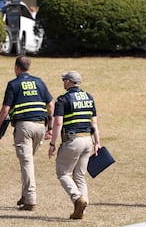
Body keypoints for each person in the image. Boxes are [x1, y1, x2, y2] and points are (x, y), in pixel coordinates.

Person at [0, 55, 54, 211]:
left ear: (16, 67)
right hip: (40, 127)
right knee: (27, 162)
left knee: (26, 163)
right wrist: (50, 128)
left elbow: (6, 109)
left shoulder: (13, 84)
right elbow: (51, 105)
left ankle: (30, 200)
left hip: (24, 127)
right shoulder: (40, 82)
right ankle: (25, 195)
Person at [48, 71, 101, 220]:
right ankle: (82, 212)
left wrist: (52, 143)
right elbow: (94, 123)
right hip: (88, 140)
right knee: (79, 176)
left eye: (64, 80)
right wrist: (97, 142)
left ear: (70, 82)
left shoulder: (63, 99)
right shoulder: (89, 97)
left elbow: (58, 123)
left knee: (63, 173)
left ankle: (77, 198)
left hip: (72, 141)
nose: (63, 82)